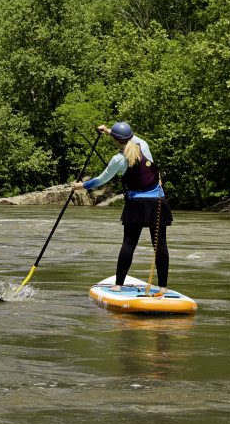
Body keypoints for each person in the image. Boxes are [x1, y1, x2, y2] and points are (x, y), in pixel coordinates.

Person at [73, 121, 172, 295]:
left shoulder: (119, 159)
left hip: (136, 204)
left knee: (129, 243)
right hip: (158, 201)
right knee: (160, 244)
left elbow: (102, 179)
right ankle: (163, 287)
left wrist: (81, 186)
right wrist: (109, 131)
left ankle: (119, 284)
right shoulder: (144, 145)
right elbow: (128, 137)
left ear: (117, 141)